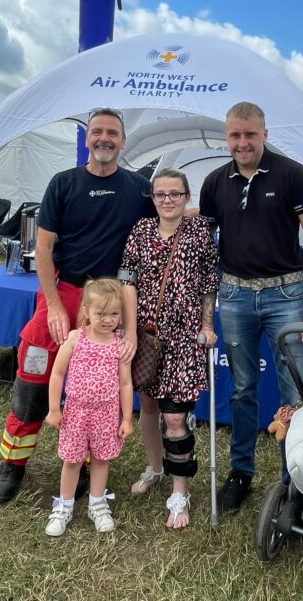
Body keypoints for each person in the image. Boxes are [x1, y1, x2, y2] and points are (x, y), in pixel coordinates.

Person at [0, 108, 155, 504]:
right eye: (97, 131)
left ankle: (81, 465)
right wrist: (54, 306)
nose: (104, 138)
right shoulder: (62, 183)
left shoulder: (138, 188)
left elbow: (167, 218)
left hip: (108, 302)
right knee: (32, 379)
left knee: (96, 388)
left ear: (123, 141)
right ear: (87, 139)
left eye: (112, 133)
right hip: (62, 294)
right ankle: (12, 464)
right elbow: (43, 248)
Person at [199, 101, 303, 514]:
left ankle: (295, 480)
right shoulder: (214, 181)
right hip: (235, 296)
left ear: (264, 134)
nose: (242, 143)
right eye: (235, 136)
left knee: (294, 389)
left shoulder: (291, 174)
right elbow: (205, 245)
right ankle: (241, 473)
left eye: (250, 135)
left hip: (286, 296)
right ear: (227, 137)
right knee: (242, 390)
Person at [119, 168, 218, 529]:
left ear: (187, 197)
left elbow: (209, 281)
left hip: (184, 338)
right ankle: (155, 467)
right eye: (160, 194)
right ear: (153, 198)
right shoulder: (141, 231)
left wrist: (207, 326)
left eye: (175, 194)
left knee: (175, 417)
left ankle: (180, 491)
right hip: (147, 335)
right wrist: (130, 331)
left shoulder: (198, 234)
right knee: (146, 404)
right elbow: (126, 279)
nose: (167, 200)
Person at [44, 278, 133, 536]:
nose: (108, 319)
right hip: (76, 412)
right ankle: (64, 506)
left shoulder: (119, 345)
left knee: (101, 459)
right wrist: (53, 409)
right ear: (87, 312)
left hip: (106, 413)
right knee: (71, 460)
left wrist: (126, 418)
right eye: (101, 313)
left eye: (114, 313)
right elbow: (57, 374)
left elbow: (126, 384)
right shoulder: (74, 339)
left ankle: (97, 503)